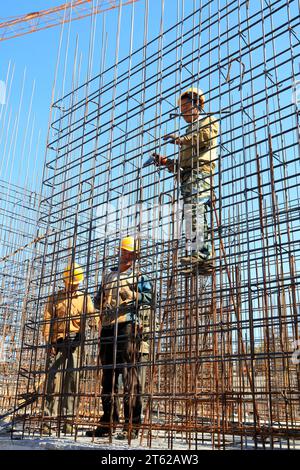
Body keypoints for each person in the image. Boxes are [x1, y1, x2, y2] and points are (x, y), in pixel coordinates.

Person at [86, 236, 154, 440]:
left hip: (128, 326)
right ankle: (108, 422)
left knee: (129, 376)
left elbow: (151, 298)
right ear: (121, 252)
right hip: (107, 327)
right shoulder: (108, 275)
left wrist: (135, 296)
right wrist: (99, 302)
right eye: (127, 253)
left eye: (133, 254)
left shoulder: (139, 276)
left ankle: (131, 424)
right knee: (108, 378)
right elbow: (97, 299)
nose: (129, 257)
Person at [153, 87, 219, 272]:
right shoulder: (189, 132)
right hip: (188, 176)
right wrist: (166, 162)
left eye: (186, 108)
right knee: (192, 214)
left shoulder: (208, 121)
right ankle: (202, 258)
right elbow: (182, 165)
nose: (183, 113)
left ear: (198, 104)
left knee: (196, 210)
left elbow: (205, 138)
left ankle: (202, 254)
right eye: (181, 110)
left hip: (201, 173)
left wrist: (181, 140)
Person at [42, 262, 97, 434]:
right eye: (72, 282)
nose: (74, 285)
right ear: (65, 281)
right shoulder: (55, 298)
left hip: (76, 343)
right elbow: (47, 322)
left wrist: (94, 322)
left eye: (76, 283)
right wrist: (49, 342)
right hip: (58, 342)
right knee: (53, 381)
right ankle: (47, 421)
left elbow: (93, 315)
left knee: (72, 381)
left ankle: (68, 421)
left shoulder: (84, 298)